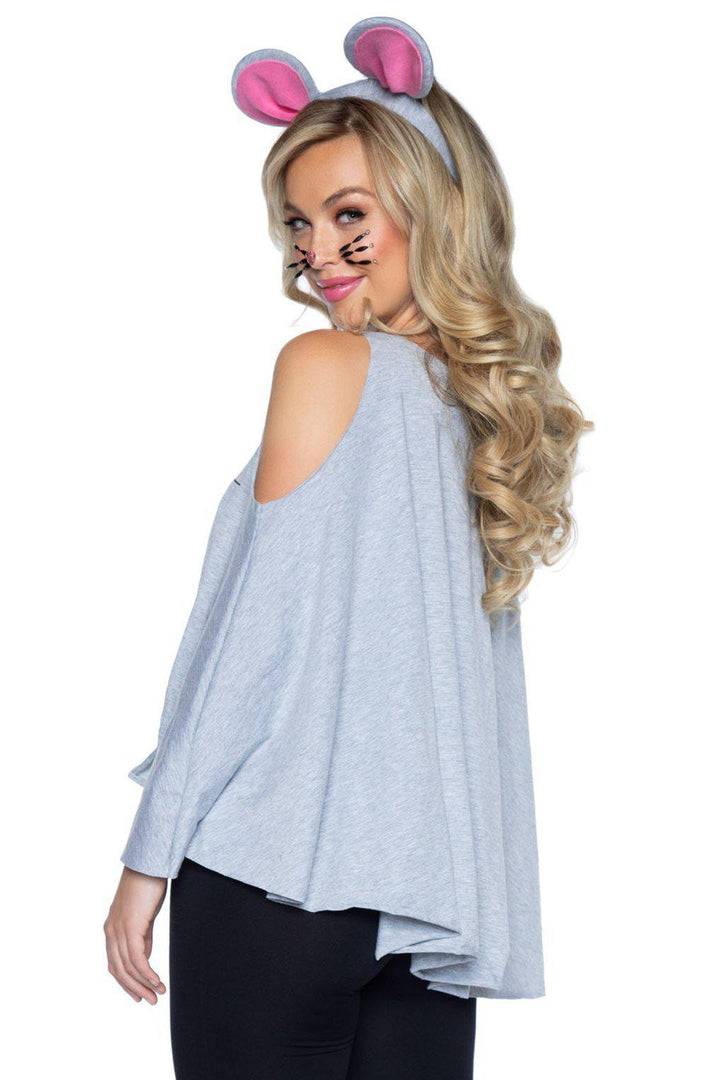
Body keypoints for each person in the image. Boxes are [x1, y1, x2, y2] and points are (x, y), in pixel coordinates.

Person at [103, 16, 593, 1079]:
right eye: (300, 222)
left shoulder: (326, 366)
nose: (317, 251)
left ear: (433, 208)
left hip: (273, 879)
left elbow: (248, 648)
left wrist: (149, 856)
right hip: (427, 910)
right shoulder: (490, 415)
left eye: (350, 215)